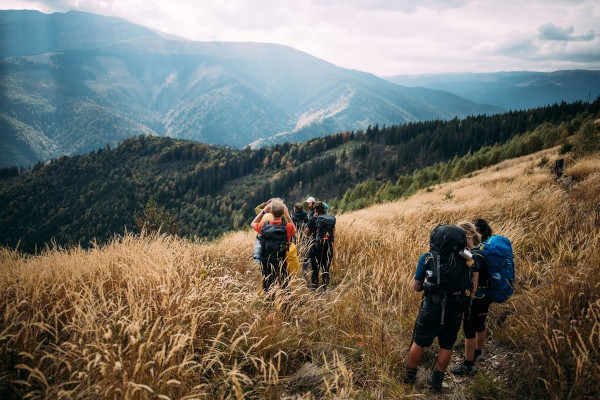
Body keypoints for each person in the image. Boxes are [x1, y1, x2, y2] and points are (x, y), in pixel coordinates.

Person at [405, 225, 477, 392]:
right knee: (447, 345)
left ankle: (410, 377)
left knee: (419, 341)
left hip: (432, 306)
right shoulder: (466, 257)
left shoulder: (427, 258)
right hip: (456, 308)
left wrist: (426, 285)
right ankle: (436, 381)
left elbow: (416, 287)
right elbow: (472, 284)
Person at [452, 219, 494, 374]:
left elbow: (474, 285)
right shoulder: (482, 249)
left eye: (461, 236)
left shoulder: (473, 257)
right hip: (487, 295)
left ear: (469, 235)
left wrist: (468, 298)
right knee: (480, 323)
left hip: (476, 297)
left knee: (469, 329)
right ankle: (478, 352)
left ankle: (467, 364)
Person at [251, 199, 296, 293]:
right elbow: (294, 229)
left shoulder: (263, 226)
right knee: (284, 284)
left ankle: (269, 305)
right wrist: (287, 214)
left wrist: (263, 211)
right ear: (283, 211)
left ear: (270, 211)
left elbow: (252, 223)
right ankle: (286, 305)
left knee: (267, 285)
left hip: (266, 261)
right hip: (281, 260)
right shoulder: (287, 227)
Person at [305, 201, 335, 290]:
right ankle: (325, 289)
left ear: (315, 210)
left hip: (316, 248)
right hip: (328, 247)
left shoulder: (313, 219)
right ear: (325, 209)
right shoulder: (331, 219)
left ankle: (314, 289)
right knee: (325, 269)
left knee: (315, 270)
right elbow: (333, 233)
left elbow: (307, 233)